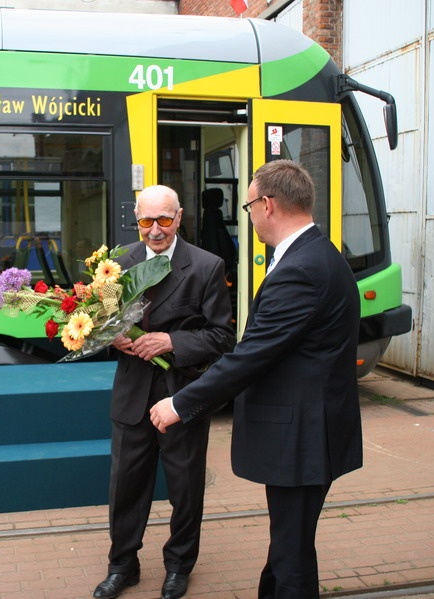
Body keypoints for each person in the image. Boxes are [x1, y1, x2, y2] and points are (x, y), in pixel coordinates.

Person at [149, 160, 363, 599]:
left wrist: (179, 404)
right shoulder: (320, 255)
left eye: (248, 206)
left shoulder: (301, 268)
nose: (250, 217)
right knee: (289, 546)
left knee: (292, 554)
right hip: (310, 431)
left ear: (267, 204)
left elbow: (252, 354)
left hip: (302, 436)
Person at [92, 184, 235, 599]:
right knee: (124, 488)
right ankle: (123, 566)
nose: (155, 230)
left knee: (186, 489)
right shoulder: (116, 263)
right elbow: (101, 322)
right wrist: (111, 337)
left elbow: (222, 338)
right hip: (132, 395)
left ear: (180, 216)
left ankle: (178, 567)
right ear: (136, 219)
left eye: (164, 220)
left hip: (183, 396)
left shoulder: (207, 266)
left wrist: (172, 342)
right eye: (145, 221)